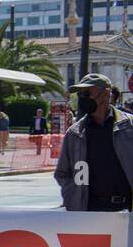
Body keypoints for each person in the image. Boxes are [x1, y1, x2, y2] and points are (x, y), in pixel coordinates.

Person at [55, 73, 133, 212]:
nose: (82, 98)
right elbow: (62, 173)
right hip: (91, 212)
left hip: (127, 211)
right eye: (80, 94)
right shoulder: (74, 133)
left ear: (106, 94)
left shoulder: (129, 126)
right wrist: (73, 197)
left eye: (87, 93)